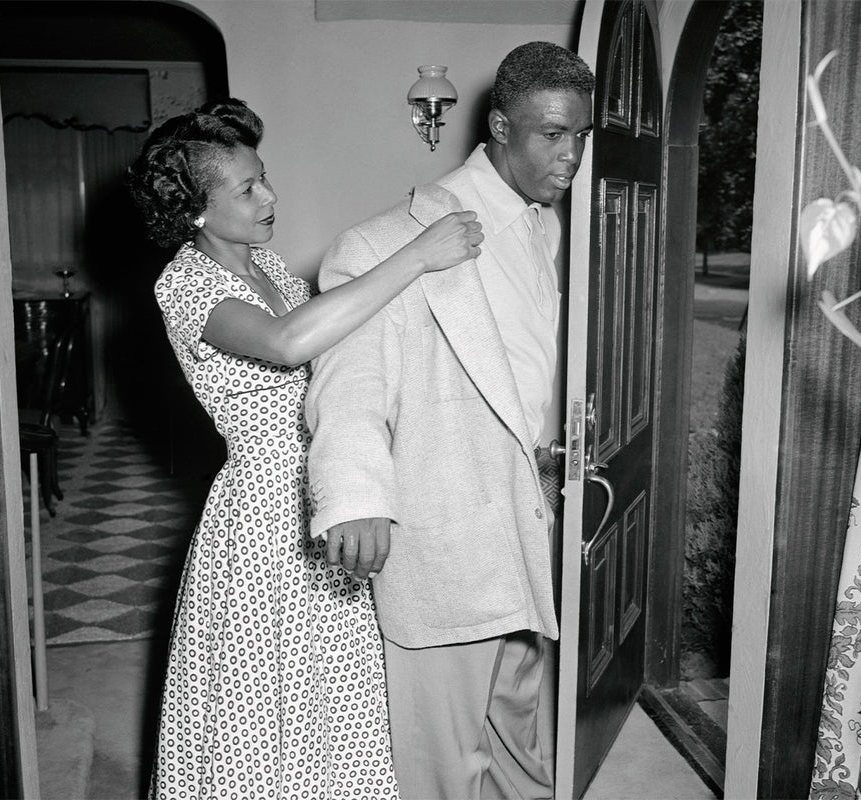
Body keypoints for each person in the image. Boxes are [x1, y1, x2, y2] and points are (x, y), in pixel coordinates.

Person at [125, 99, 483, 799]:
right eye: (248, 188)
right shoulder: (185, 283)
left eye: (266, 178)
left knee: (335, 692)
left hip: (327, 485)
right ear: (195, 211)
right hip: (262, 514)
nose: (270, 196)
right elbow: (290, 346)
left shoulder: (275, 270)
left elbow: (340, 346)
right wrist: (415, 257)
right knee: (263, 701)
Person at [304, 42, 595, 800]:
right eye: (552, 135)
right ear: (499, 126)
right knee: (443, 765)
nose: (570, 156)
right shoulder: (379, 243)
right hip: (446, 529)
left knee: (517, 728)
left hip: (525, 516)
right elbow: (350, 385)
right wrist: (356, 496)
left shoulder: (545, 227)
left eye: (581, 137)